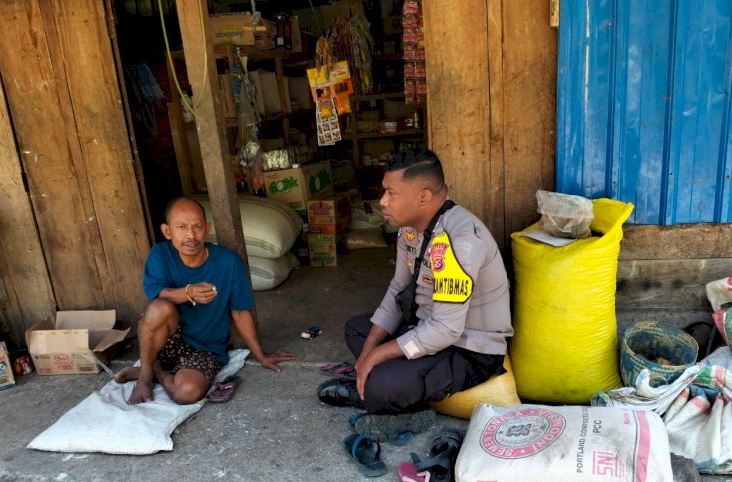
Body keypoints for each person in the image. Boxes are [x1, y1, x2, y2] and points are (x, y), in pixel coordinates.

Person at [318, 149, 513, 436]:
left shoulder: (461, 242)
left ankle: (396, 402)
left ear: (423, 197)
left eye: (392, 194)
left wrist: (375, 357)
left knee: (382, 384)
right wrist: (369, 352)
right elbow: (398, 288)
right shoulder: (410, 230)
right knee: (358, 330)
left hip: (468, 348)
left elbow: (446, 330)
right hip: (426, 325)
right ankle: (377, 382)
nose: (382, 202)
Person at [115, 198, 295, 405]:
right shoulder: (161, 254)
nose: (191, 235)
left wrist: (261, 355)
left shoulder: (228, 262)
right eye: (181, 227)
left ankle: (157, 371)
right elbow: (157, 294)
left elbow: (240, 311)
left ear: (206, 229)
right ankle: (144, 378)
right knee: (158, 308)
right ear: (167, 231)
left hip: (206, 348)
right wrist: (189, 292)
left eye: (197, 227)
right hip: (168, 342)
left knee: (187, 393)